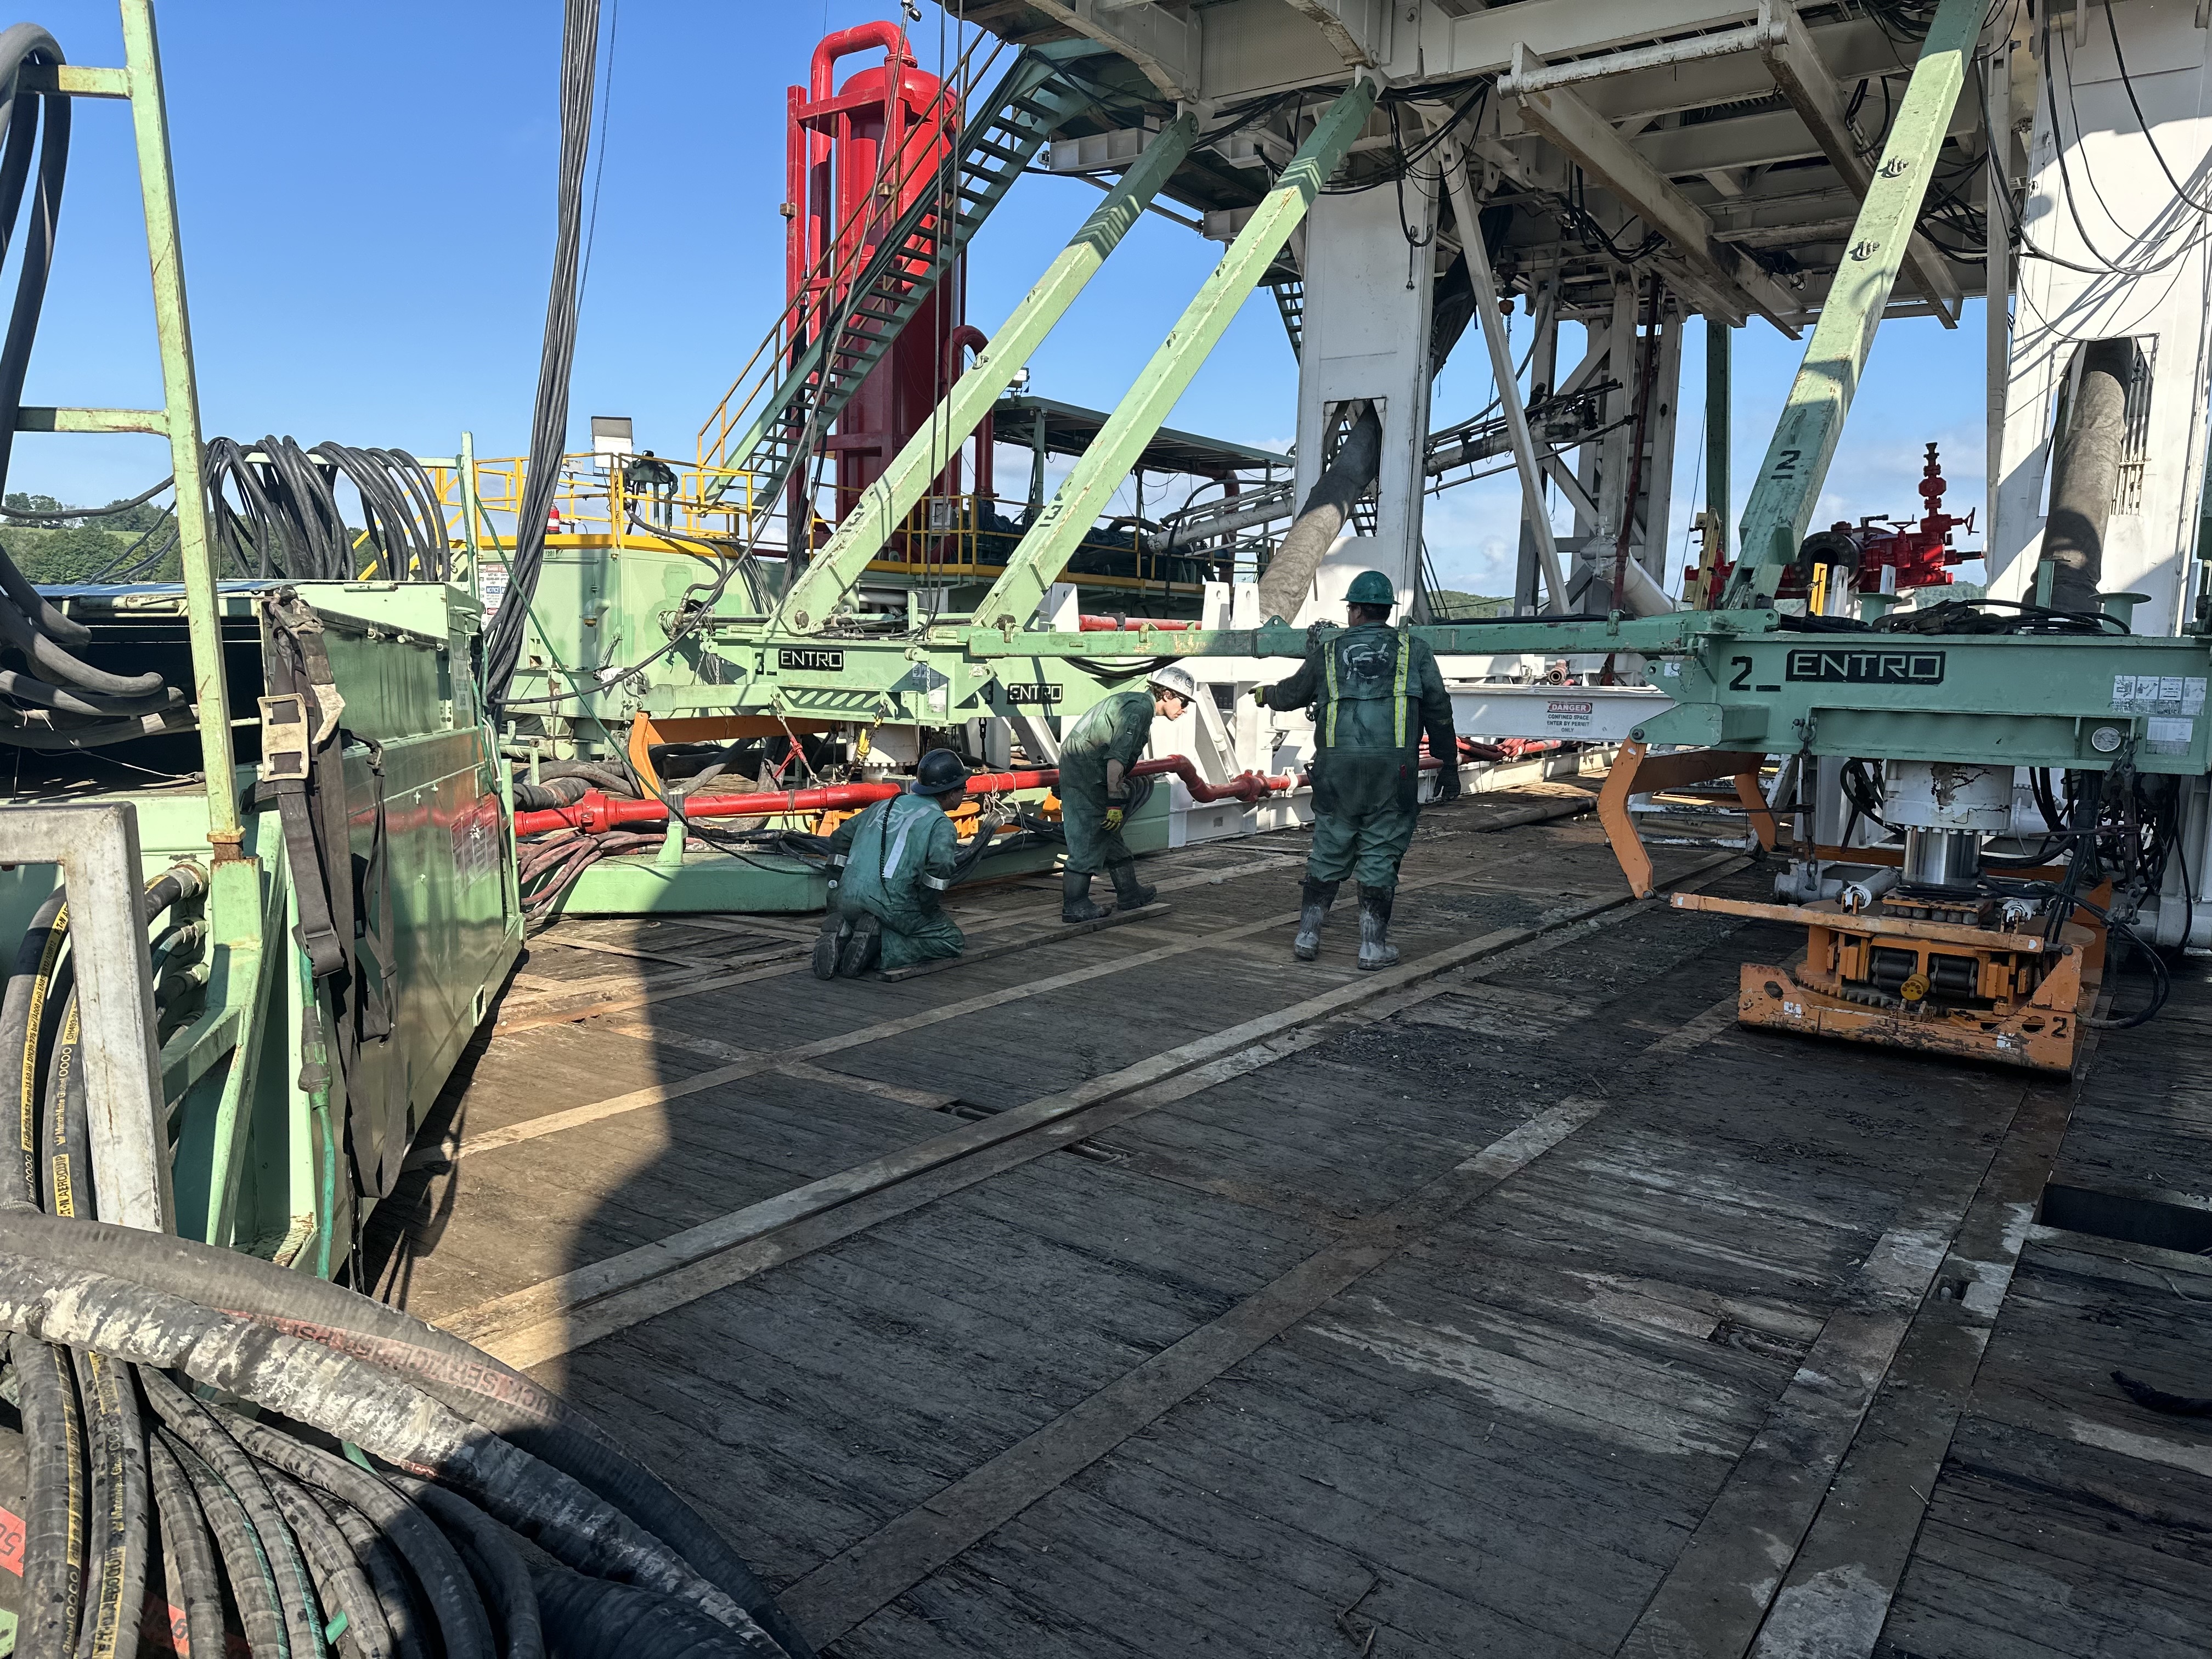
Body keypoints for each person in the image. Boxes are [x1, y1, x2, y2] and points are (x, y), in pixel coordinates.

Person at [1251, 569, 1458, 969]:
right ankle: (1372, 947)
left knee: (1329, 847)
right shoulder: (1414, 650)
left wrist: (1265, 695)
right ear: (1385, 610)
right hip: (1391, 769)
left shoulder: (1329, 652)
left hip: (1336, 769)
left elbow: (1292, 694)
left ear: (1357, 611)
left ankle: (1308, 935)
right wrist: (1448, 765)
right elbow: (1439, 710)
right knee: (1380, 851)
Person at [1057, 663, 1197, 921]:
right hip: (1090, 772)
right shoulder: (1139, 710)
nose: (1184, 709)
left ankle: (1129, 892)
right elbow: (1116, 760)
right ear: (1166, 694)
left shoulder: (1135, 702)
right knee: (1091, 835)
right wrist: (1113, 800)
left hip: (1084, 767)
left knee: (1108, 833)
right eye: (1183, 701)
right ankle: (1075, 904)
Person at [813, 748, 969, 978]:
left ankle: (847, 930)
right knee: (950, 941)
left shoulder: (882, 806)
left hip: (844, 899)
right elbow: (940, 869)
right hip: (891, 904)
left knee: (873, 916)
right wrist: (926, 908)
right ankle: (880, 948)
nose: (965, 793)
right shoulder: (941, 824)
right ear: (951, 792)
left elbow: (838, 839)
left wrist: (837, 884)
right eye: (963, 788)